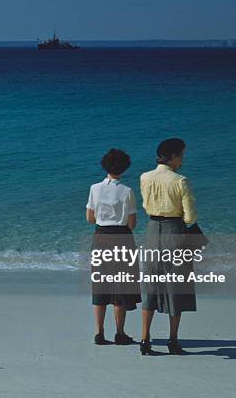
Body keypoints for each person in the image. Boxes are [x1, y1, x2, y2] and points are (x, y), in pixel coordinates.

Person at [139, 138, 198, 355]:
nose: (183, 159)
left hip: (153, 229)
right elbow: (190, 216)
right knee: (176, 286)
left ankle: (145, 339)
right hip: (174, 229)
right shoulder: (180, 180)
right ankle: (173, 340)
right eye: (181, 155)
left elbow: (145, 204)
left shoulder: (145, 177)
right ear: (173, 157)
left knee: (152, 285)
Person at [86, 148, 141, 345]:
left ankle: (99, 333)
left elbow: (90, 218)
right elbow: (132, 223)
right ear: (124, 168)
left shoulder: (94, 188)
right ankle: (120, 332)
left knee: (100, 286)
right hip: (122, 238)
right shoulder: (127, 191)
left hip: (101, 237)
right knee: (121, 286)